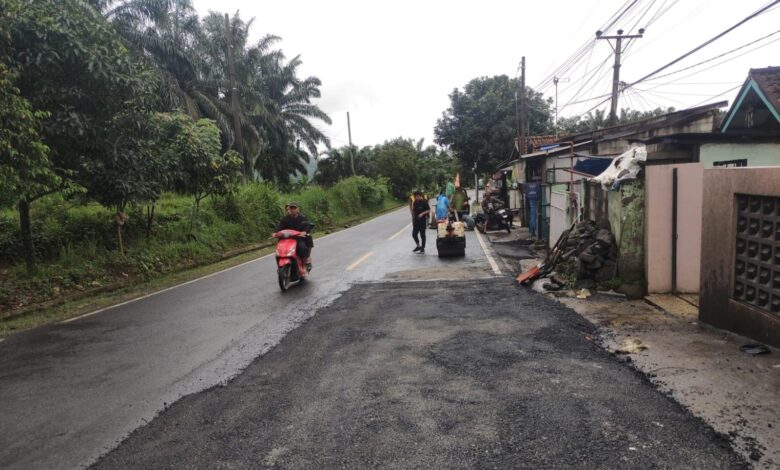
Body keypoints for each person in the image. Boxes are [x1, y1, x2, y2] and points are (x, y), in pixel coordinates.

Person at [276, 201, 313, 268]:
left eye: (294, 208)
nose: (292, 210)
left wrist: (304, 232)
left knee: (302, 246)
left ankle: (305, 262)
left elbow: (308, 226)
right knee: (278, 251)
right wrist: (278, 233)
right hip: (287, 239)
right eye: (291, 208)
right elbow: (279, 228)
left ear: (298, 209)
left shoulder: (302, 218)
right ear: (288, 209)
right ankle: (280, 267)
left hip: (298, 238)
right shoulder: (285, 219)